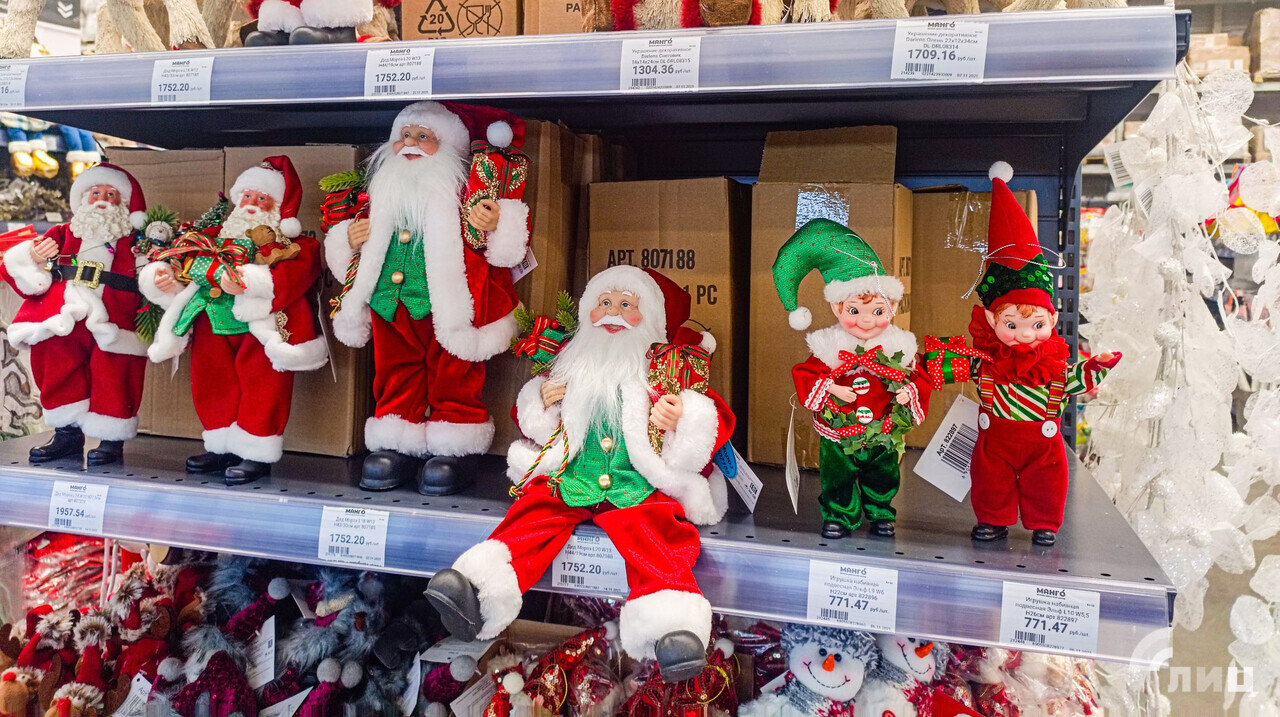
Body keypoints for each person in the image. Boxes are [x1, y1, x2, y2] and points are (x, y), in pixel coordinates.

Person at [425, 265, 733, 682]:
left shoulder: (666, 374)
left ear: (652, 321)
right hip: (573, 477)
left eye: (626, 304)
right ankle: (478, 591)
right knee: (532, 512)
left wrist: (682, 418)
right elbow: (534, 422)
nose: (612, 313)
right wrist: (542, 401)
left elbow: (714, 424)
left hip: (636, 485)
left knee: (658, 532)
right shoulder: (574, 366)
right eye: (604, 302)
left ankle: (672, 626)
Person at [324, 101, 531, 495]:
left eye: (423, 137)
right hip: (390, 303)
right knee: (395, 370)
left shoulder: (466, 194)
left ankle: (455, 442)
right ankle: (397, 438)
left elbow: (505, 251)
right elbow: (351, 251)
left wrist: (496, 222)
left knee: (454, 373)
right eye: (404, 135)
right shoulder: (380, 195)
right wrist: (347, 240)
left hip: (450, 304)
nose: (411, 144)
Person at [139, 156, 326, 485]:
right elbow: (180, 263)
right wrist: (165, 278)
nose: (252, 204)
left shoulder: (293, 246)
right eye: (247, 196)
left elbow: (296, 275)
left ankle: (255, 450)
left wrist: (249, 281)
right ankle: (221, 443)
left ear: (277, 206)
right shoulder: (210, 237)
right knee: (211, 381)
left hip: (261, 327)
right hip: (210, 320)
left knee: (263, 385)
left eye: (262, 198)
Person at [2, 163, 152, 465]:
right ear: (83, 199)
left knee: (115, 372)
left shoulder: (138, 242)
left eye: (111, 194)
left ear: (124, 203)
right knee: (56, 364)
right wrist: (33, 256)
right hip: (66, 312)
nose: (102, 200)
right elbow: (17, 264)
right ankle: (67, 434)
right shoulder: (63, 233)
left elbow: (155, 272)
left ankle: (111, 438)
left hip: (116, 316)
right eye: (95, 193)